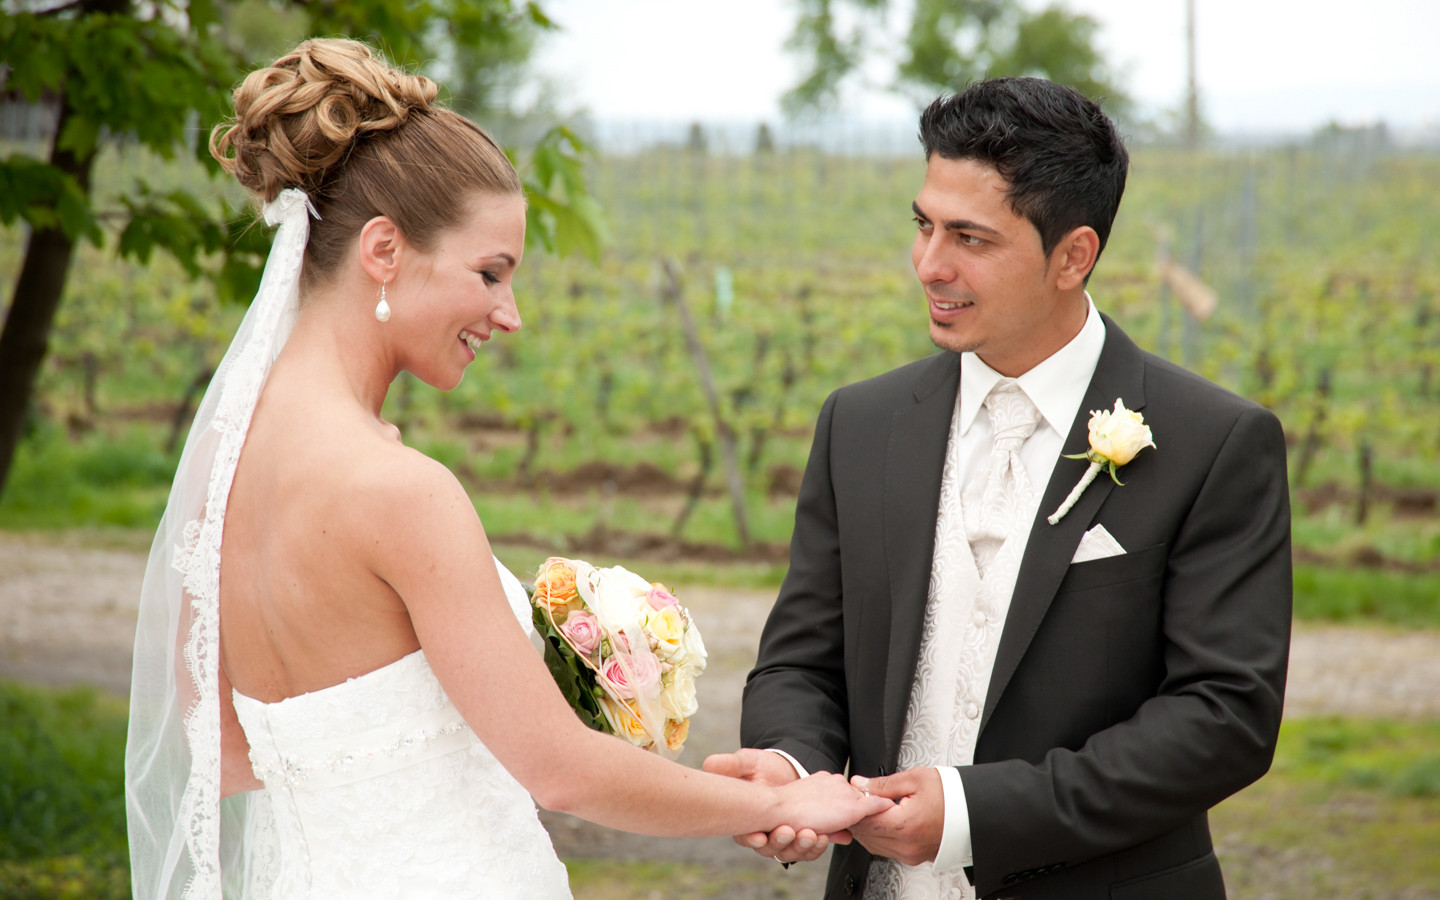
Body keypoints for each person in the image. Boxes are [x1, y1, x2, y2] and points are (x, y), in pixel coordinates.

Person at [123, 38, 892, 900]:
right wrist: (791, 798)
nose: (510, 314)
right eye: (490, 273)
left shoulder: (220, 466)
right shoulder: (399, 490)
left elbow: (220, 751)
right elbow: (558, 772)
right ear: (383, 249)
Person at [705, 77, 1292, 899]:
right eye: (923, 224)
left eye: (970, 239)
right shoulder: (860, 424)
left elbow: (1223, 717)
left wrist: (975, 813)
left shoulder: (1214, 441)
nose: (928, 264)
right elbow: (802, 659)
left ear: (1073, 255)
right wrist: (789, 762)